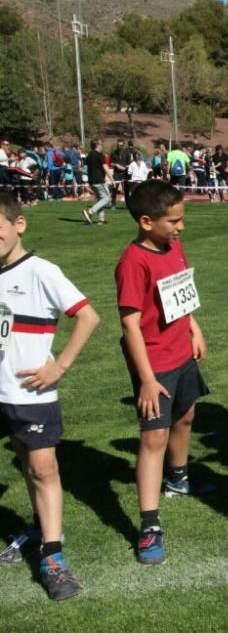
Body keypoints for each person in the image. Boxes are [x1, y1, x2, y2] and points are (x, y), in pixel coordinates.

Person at [0, 193, 99, 599]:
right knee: (27, 465)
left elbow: (88, 317)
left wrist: (59, 367)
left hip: (30, 394)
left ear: (18, 224)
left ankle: (53, 558)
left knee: (42, 469)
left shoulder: (41, 271)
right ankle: (37, 526)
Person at [116, 180, 209, 565]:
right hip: (154, 364)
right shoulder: (132, 262)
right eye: (173, 221)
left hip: (182, 353)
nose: (180, 227)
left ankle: (178, 476)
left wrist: (194, 329)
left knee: (186, 416)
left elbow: (180, 292)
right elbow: (130, 326)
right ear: (145, 221)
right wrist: (148, 379)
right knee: (153, 439)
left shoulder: (174, 248)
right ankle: (149, 524)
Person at [82, 140, 112, 226]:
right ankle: (90, 211)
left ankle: (101, 220)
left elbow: (86, 168)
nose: (102, 146)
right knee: (107, 198)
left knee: (100, 199)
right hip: (99, 180)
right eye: (101, 144)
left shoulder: (88, 156)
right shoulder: (100, 155)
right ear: (97, 145)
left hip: (91, 181)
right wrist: (112, 179)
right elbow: (105, 168)